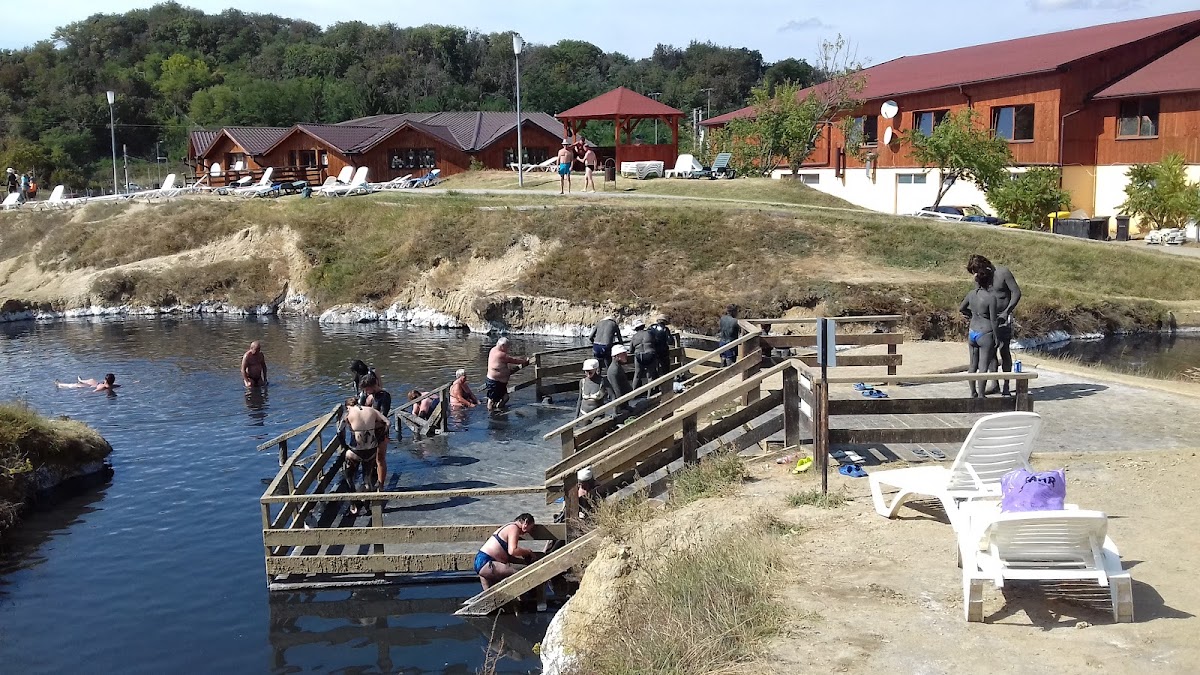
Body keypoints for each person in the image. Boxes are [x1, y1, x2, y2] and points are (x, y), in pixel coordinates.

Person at [968, 254, 1022, 396]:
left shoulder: (1003, 273)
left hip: (1003, 317)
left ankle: (1006, 385)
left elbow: (1016, 293)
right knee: (990, 352)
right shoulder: (981, 277)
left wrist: (1007, 311)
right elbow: (977, 295)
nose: (976, 275)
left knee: (1004, 349)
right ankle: (994, 383)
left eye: (977, 272)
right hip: (988, 321)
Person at [342, 396, 391, 514]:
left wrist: (344, 446)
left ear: (347, 406)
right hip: (371, 449)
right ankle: (367, 505)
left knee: (349, 478)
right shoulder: (372, 410)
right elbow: (387, 422)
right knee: (367, 479)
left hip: (355, 450)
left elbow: (339, 431)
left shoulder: (348, 413)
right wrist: (379, 434)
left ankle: (353, 505)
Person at [959, 266, 1000, 398]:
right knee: (983, 366)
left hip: (972, 331)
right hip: (985, 332)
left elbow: (961, 308)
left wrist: (971, 315)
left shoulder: (971, 294)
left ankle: (973, 392)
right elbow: (993, 320)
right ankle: (981, 395)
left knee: (972, 365)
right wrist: (997, 337)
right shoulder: (991, 298)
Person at [474, 513, 537, 590]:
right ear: (526, 522)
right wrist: (528, 552)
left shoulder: (507, 527)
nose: (528, 532)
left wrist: (523, 561)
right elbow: (513, 550)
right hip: (487, 562)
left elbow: (506, 555)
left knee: (490, 595)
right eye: (531, 528)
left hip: (482, 561)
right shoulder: (513, 528)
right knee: (521, 577)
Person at [485, 337, 530, 412]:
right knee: (491, 400)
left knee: (505, 398)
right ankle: (490, 414)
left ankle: (498, 409)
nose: (508, 349)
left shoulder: (493, 349)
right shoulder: (500, 354)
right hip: (495, 382)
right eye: (507, 347)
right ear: (502, 346)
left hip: (499, 382)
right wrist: (525, 361)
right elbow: (513, 360)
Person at [629, 319, 658, 390]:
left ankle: (633, 393)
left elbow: (631, 350)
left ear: (635, 328)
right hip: (650, 354)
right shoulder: (649, 333)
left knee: (637, 375)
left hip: (639, 355)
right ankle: (650, 394)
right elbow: (656, 343)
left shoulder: (634, 337)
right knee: (650, 375)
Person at [607, 345, 634, 413]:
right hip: (620, 406)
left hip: (624, 403)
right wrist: (620, 406)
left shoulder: (617, 367)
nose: (626, 355)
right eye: (623, 354)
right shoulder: (614, 370)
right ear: (617, 356)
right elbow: (617, 390)